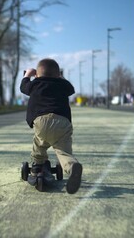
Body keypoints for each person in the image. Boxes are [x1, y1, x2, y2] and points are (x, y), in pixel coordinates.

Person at [20, 58, 82, 194]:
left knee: (39, 143)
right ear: (58, 75)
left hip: (42, 121)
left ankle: (37, 166)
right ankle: (72, 167)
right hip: (62, 122)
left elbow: (23, 87)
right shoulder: (63, 85)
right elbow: (71, 88)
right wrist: (60, 77)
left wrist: (27, 76)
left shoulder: (35, 83)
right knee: (63, 152)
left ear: (37, 75)